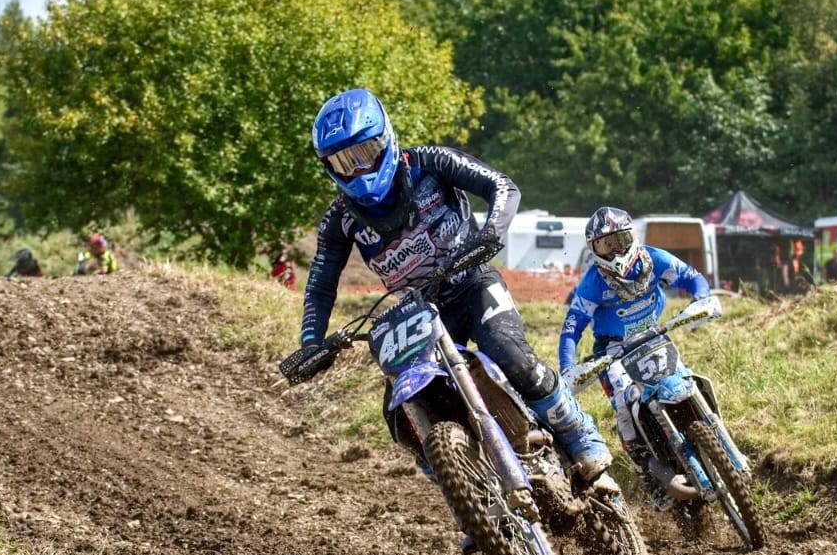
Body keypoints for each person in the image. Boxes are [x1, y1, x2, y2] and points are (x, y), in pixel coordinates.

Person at [291, 87, 611, 493]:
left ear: (386, 138)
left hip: (472, 281)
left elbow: (502, 186)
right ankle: (467, 494)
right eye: (343, 162)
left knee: (511, 353)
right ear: (329, 167)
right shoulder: (339, 220)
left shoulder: (431, 163)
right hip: (418, 312)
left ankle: (581, 435)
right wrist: (311, 342)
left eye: (365, 152)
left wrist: (491, 232)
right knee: (399, 415)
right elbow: (320, 285)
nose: (358, 169)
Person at [559, 206, 720, 510]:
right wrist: (568, 369)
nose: (616, 251)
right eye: (606, 245)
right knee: (624, 404)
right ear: (594, 250)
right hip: (613, 350)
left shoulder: (653, 259)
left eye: (620, 240)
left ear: (632, 236)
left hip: (653, 335)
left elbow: (690, 276)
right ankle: (646, 472)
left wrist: (702, 297)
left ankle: (715, 435)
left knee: (683, 377)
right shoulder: (593, 283)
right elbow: (571, 328)